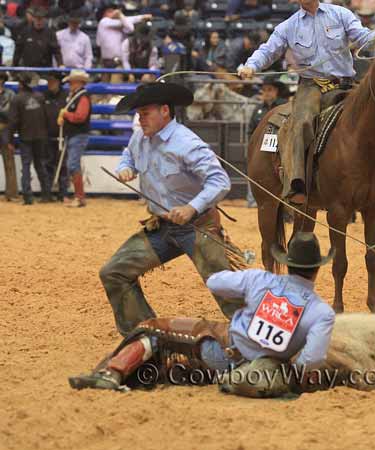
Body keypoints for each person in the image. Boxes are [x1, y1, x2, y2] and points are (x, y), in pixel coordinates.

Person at [70, 232, 335, 398]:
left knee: (152, 329)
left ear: (288, 265)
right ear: (317, 269)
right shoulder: (321, 312)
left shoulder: (260, 279)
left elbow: (215, 283)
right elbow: (312, 359)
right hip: (259, 373)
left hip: (222, 352)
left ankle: (111, 373)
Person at [100, 82, 242, 337]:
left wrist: (191, 207)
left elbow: (220, 181)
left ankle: (259, 337)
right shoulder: (139, 138)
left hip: (198, 226)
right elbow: (128, 155)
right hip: (161, 227)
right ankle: (144, 336)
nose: (140, 119)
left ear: (164, 110)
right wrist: (126, 167)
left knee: (226, 287)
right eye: (138, 114)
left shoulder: (187, 143)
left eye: (145, 112)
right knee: (114, 272)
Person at [238, 0, 375, 204]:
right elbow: (268, 50)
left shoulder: (340, 14)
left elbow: (364, 37)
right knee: (301, 122)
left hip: (345, 85)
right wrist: (251, 66)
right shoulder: (288, 26)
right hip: (312, 86)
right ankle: (297, 183)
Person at [8, 72, 51, 205]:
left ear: (21, 84)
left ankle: (28, 196)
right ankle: (46, 194)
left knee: (26, 166)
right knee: (40, 165)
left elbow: (13, 121)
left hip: (26, 136)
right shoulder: (40, 97)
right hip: (41, 136)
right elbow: (46, 117)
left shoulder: (17, 99)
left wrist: (10, 140)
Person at [246, 74, 288, 208]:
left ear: (276, 91)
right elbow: (251, 130)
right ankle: (253, 200)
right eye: (264, 90)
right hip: (262, 149)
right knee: (255, 171)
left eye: (269, 89)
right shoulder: (258, 110)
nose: (266, 93)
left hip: (281, 149)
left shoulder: (284, 108)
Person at [57, 69, 91, 208]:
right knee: (73, 164)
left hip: (78, 135)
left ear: (77, 82)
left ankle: (79, 196)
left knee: (73, 164)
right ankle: (79, 196)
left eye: (71, 82)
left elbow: (80, 117)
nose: (70, 84)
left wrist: (66, 115)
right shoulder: (76, 96)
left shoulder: (82, 97)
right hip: (74, 134)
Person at [96, 4, 151, 69]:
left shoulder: (121, 23)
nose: (114, 13)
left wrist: (121, 16)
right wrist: (141, 17)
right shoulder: (103, 21)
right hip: (107, 60)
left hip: (121, 61)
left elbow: (130, 28)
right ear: (104, 14)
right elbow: (129, 22)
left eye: (113, 11)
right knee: (106, 78)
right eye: (110, 11)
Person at [43, 71, 69, 202]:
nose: (50, 84)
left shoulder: (66, 96)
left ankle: (63, 193)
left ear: (59, 82)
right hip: (48, 135)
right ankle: (47, 193)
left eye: (52, 81)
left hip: (62, 135)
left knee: (63, 165)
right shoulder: (45, 96)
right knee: (48, 164)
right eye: (48, 81)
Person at [0, 71, 17, 201]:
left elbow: (10, 113)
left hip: (5, 128)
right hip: (5, 126)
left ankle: (11, 193)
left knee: (9, 160)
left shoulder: (10, 94)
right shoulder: (11, 95)